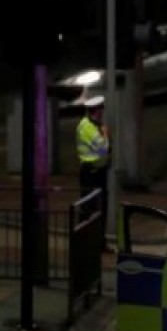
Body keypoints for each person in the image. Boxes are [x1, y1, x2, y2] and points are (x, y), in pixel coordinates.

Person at [76, 96, 112, 250]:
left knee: (99, 208)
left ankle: (97, 243)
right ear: (95, 111)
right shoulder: (87, 127)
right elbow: (103, 148)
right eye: (101, 109)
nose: (103, 112)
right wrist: (104, 133)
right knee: (90, 208)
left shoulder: (94, 124)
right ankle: (85, 243)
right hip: (91, 173)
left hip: (98, 172)